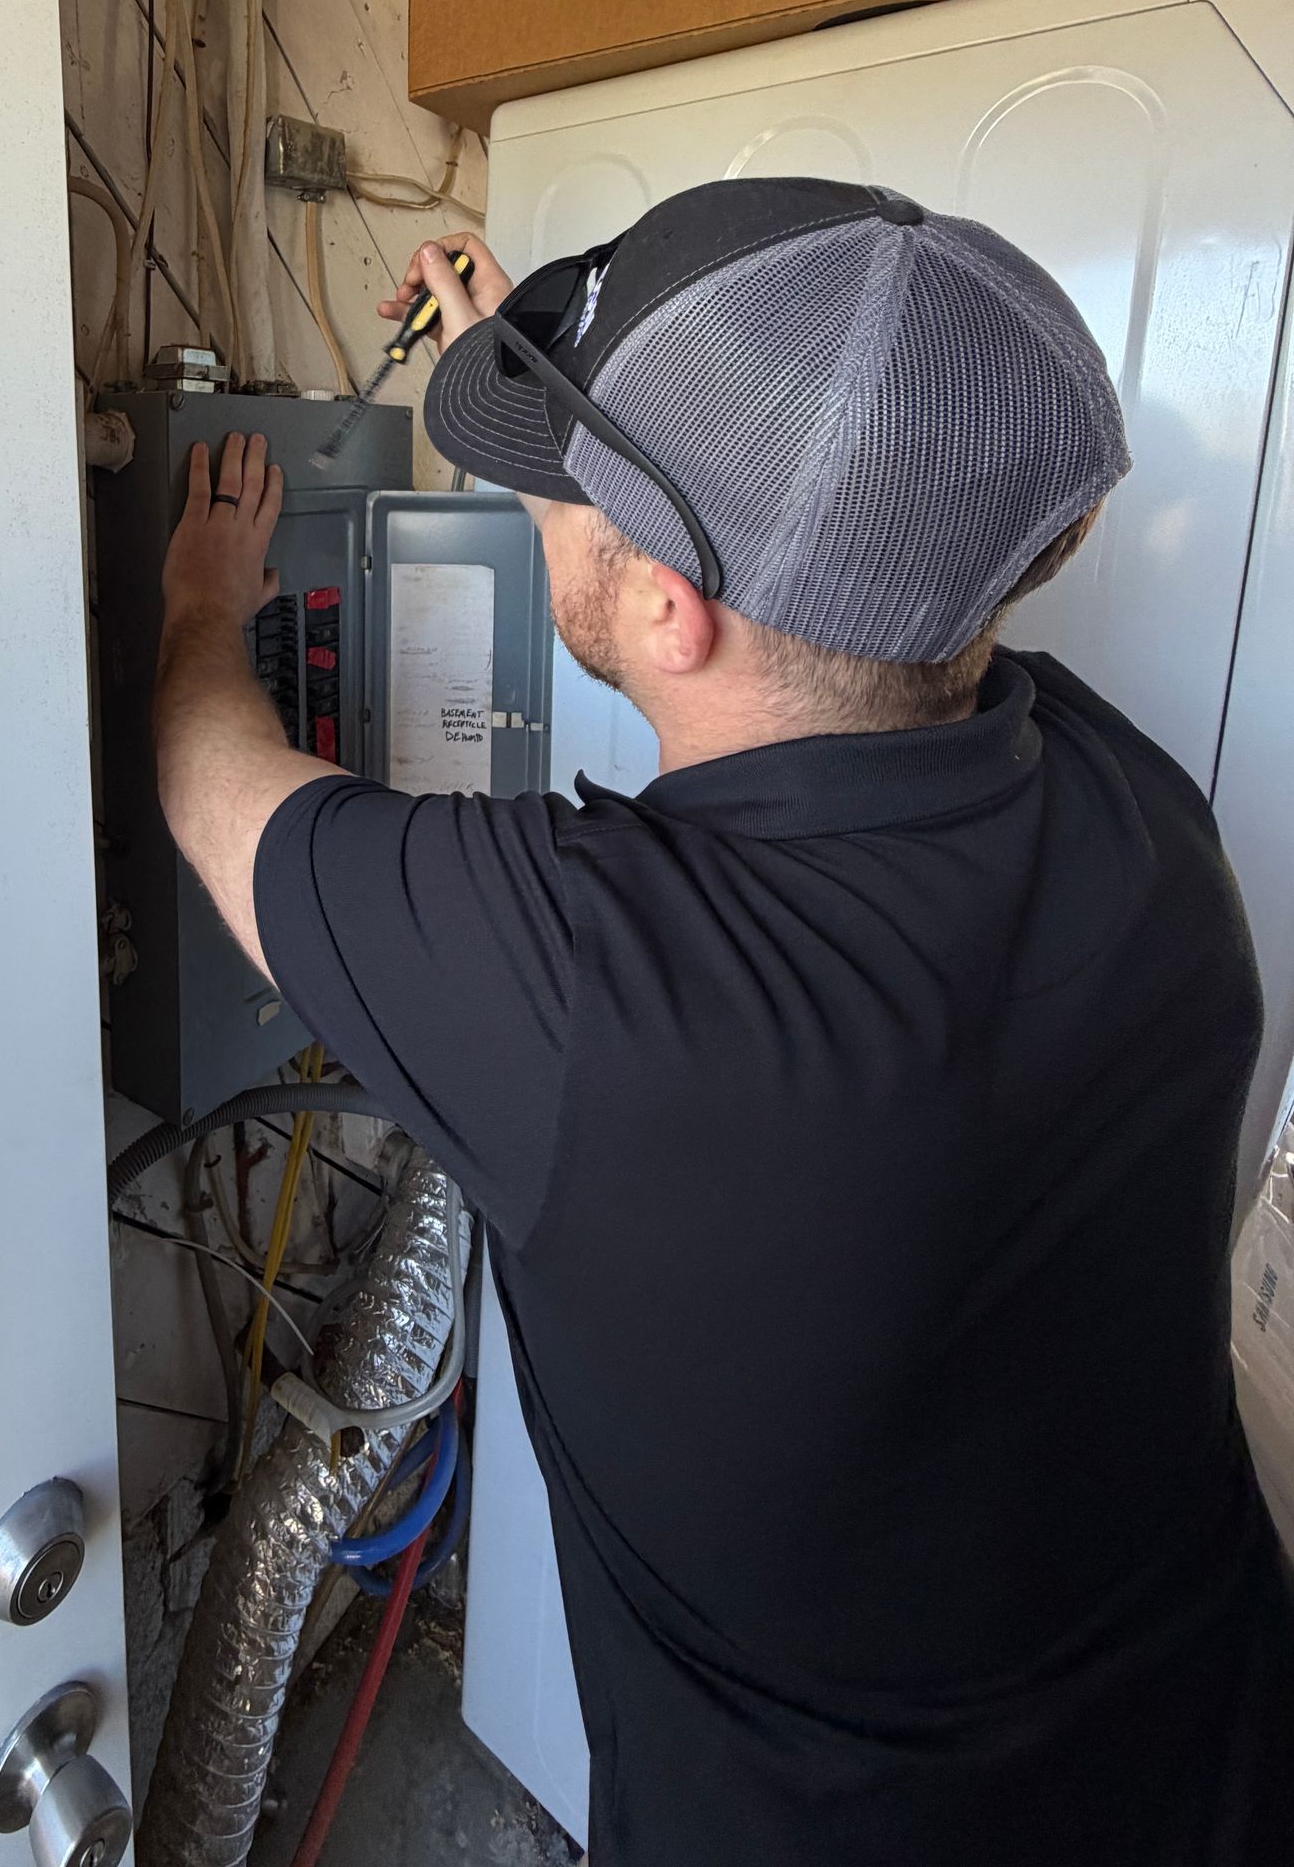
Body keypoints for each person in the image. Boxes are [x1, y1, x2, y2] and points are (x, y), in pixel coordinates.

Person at [152, 177, 1294, 1867]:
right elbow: (859, 534)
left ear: (673, 613)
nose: (543, 512)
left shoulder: (598, 1008)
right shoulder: (1145, 830)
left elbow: (207, 777)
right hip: (1217, 1765)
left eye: (566, 496)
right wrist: (548, 390)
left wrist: (195, 596)